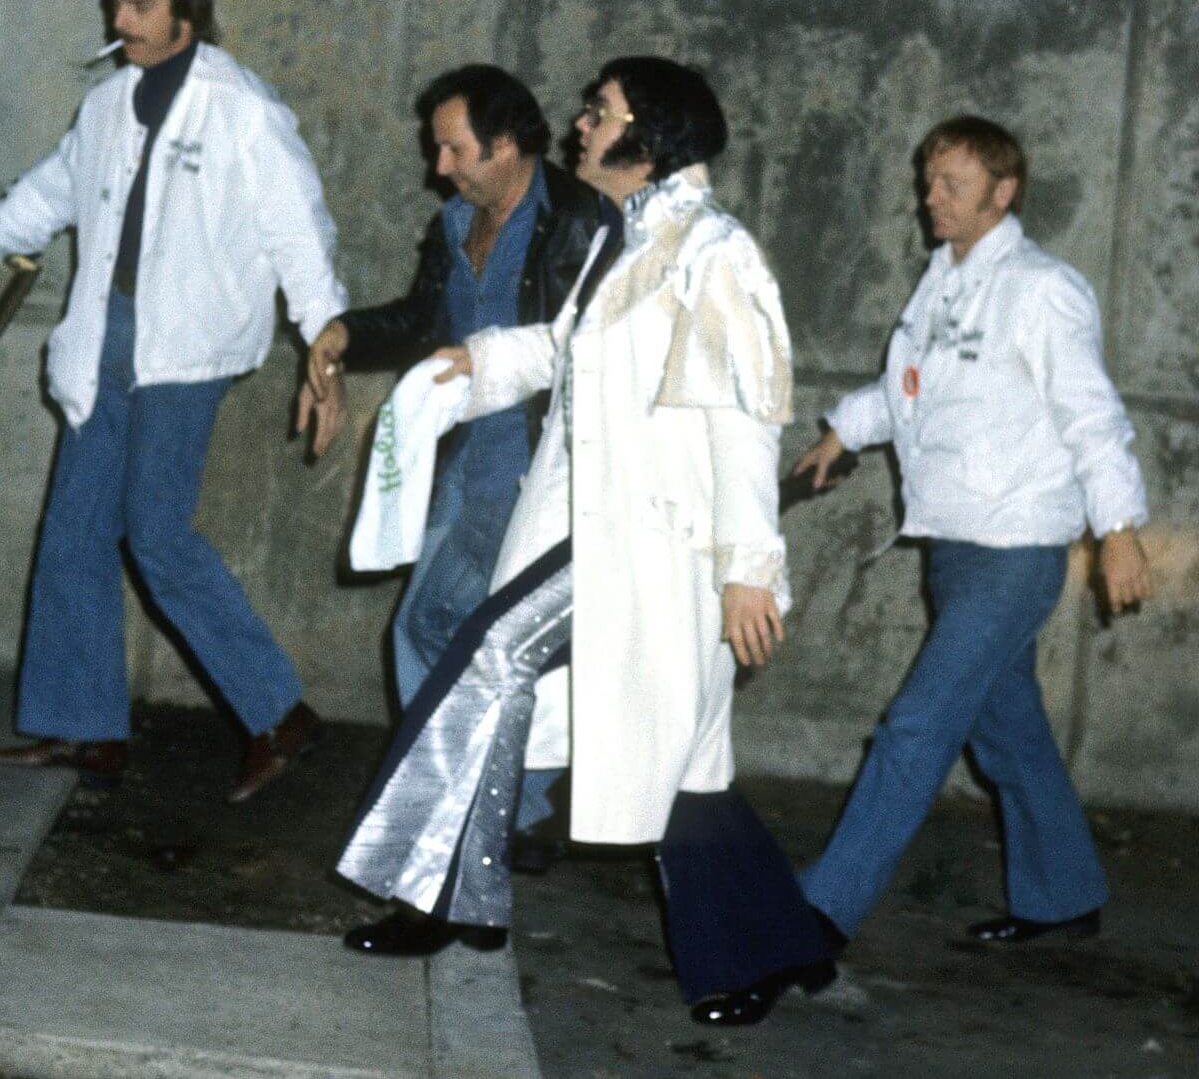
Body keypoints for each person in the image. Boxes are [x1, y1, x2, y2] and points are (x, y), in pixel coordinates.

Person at [335, 57, 835, 1027]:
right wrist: (471, 359)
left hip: (656, 545)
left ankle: (445, 895)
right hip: (599, 533)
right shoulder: (626, 237)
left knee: (487, 660)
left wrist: (751, 571)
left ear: (650, 136)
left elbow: (744, 418)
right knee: (688, 770)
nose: (577, 124)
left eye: (598, 114)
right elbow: (565, 352)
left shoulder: (713, 252)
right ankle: (774, 945)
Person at [0, 0, 347, 803]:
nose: (121, 21)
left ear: (188, 10)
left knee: (154, 532)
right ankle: (83, 726)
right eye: (116, 4)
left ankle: (280, 713)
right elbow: (45, 197)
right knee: (75, 531)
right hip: (104, 335)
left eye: (141, 6)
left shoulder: (243, 108)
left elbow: (297, 230)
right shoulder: (109, 105)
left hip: (186, 348)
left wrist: (324, 340)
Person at [792, 115, 1151, 950]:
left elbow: (1092, 417)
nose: (931, 198)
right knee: (1006, 726)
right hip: (954, 542)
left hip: (1016, 549)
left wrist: (1121, 527)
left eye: (951, 183)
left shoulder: (1041, 288)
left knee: (916, 727)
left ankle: (819, 911)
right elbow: (907, 388)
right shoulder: (940, 284)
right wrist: (843, 431)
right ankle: (1062, 892)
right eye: (928, 179)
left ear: (1002, 191)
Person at [296, 65, 609, 849]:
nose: (439, 168)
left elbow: (597, 352)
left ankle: (464, 812)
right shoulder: (452, 227)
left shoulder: (581, 222)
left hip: (531, 466)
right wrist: (342, 335)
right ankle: (517, 808)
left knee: (429, 620)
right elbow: (418, 322)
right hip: (462, 460)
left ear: (506, 145)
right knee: (460, 631)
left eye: (453, 149)